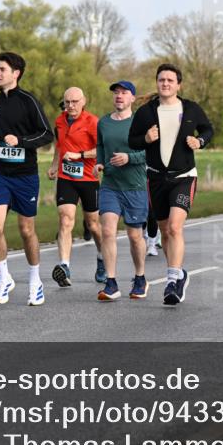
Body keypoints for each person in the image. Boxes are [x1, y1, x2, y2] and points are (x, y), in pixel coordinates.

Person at [128, 63, 214, 305]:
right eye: (161, 80)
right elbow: (132, 141)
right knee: (165, 231)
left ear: (179, 84)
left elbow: (208, 129)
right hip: (155, 178)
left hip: (183, 177)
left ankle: (172, 281)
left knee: (175, 227)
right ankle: (179, 273)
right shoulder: (146, 112)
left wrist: (200, 141)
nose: (165, 83)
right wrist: (145, 138)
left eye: (170, 80)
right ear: (157, 83)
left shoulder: (190, 109)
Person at [0, 52, 55, 306]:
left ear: (16, 73)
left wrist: (21, 141)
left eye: (2, 69)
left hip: (25, 176)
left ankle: (35, 281)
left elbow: (47, 133)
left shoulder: (28, 101)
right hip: (0, 173)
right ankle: (4, 278)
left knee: (26, 230)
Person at [95, 81, 149, 301]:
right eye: (116, 93)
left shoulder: (140, 122)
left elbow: (150, 152)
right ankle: (111, 282)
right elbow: (100, 145)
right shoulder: (104, 122)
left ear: (132, 98)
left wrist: (129, 158)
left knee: (134, 235)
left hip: (135, 186)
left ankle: (140, 278)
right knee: (107, 230)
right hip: (110, 185)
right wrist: (100, 162)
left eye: (124, 93)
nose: (119, 96)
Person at [48, 86, 105, 288]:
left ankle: (101, 258)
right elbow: (60, 145)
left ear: (83, 101)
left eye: (74, 102)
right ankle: (64, 267)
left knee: (93, 225)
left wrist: (79, 155)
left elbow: (100, 150)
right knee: (65, 219)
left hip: (88, 179)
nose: (70, 106)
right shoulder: (59, 121)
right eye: (67, 102)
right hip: (66, 177)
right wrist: (55, 165)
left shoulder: (92, 122)